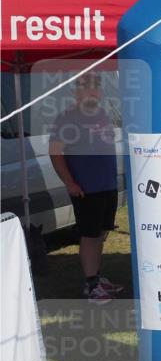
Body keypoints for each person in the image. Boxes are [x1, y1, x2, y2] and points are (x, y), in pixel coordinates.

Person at [49, 73, 125, 305]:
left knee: (101, 233)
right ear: (77, 91)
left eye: (96, 88)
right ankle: (92, 285)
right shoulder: (67, 118)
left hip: (107, 185)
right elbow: (55, 153)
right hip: (86, 188)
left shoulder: (102, 114)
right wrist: (70, 183)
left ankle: (96, 279)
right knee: (90, 236)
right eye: (87, 88)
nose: (93, 92)